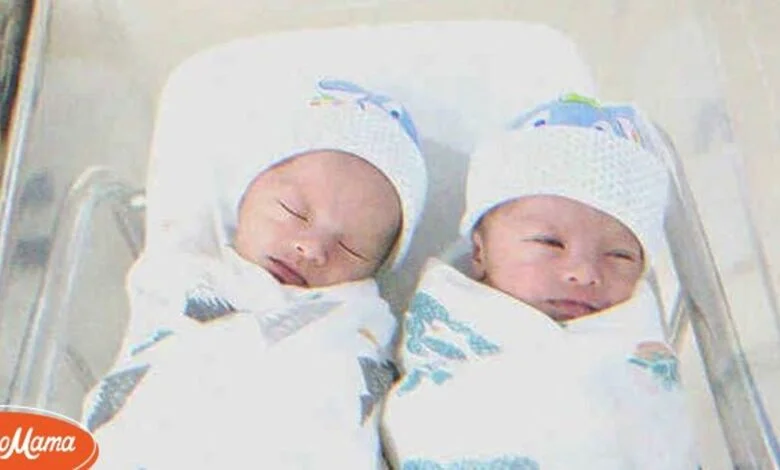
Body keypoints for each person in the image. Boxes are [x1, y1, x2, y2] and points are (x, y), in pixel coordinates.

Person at [81, 78, 427, 469]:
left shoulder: (357, 320)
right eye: (292, 211)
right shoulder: (189, 272)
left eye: (351, 247)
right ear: (245, 192)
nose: (312, 248)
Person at [382, 94, 699, 469]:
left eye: (619, 255)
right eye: (550, 243)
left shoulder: (630, 335)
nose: (584, 273)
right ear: (480, 252)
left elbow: (656, 424)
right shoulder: (452, 321)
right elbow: (424, 420)